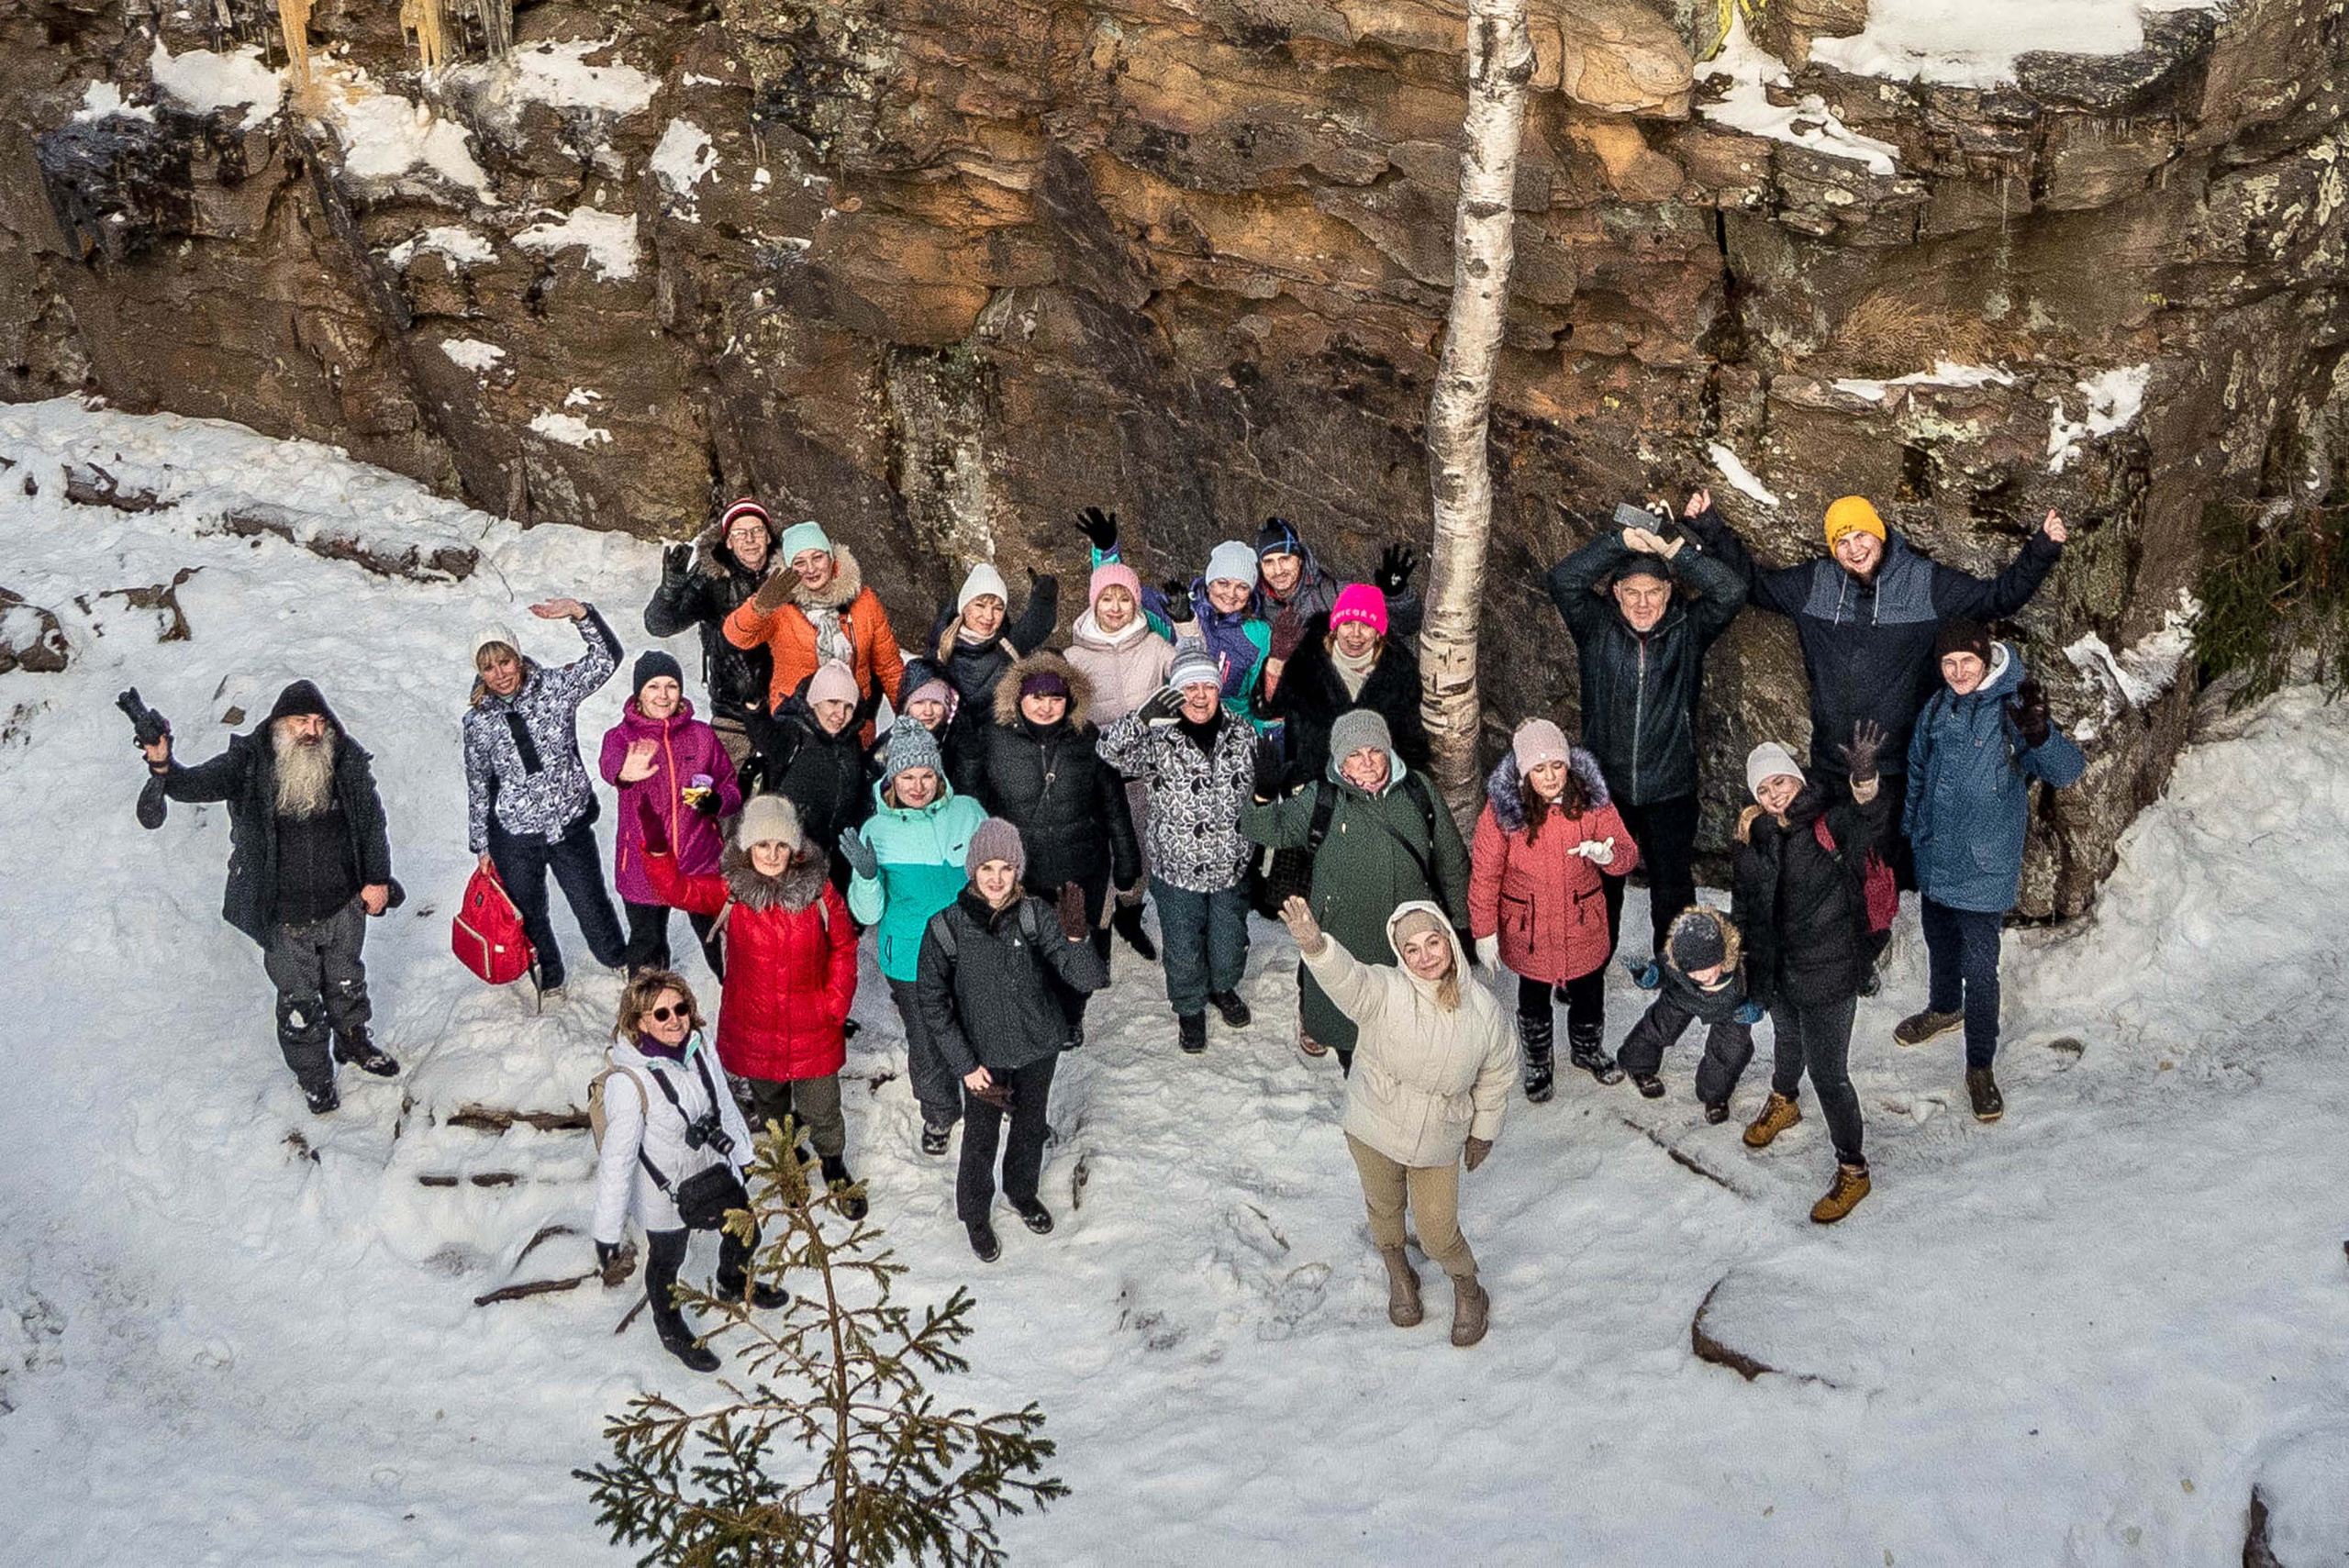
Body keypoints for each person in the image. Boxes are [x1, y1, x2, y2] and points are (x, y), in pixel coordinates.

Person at [1682, 495, 2066, 884]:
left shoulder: (1924, 583)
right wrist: (1710, 527)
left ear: (1879, 533)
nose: (1854, 549)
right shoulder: (1815, 584)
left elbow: (1997, 598)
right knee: (1830, 878)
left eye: (1861, 536)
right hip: (1832, 764)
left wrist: (2043, 549)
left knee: (1885, 879)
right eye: (1842, 543)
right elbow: (1755, 584)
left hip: (1896, 767)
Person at [143, 680, 396, 1114]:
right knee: (299, 1001)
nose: (311, 731)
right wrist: (164, 766)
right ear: (280, 723)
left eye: (318, 722)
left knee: (346, 979)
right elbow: (194, 784)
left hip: (343, 903)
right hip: (283, 912)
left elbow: (372, 822)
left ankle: (353, 1041)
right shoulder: (250, 762)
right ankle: (315, 1078)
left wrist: (377, 879)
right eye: (301, 722)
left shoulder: (344, 760)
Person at [1275, 895, 1512, 1347]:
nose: (1426, 957)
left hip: (1438, 1139)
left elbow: (1497, 1074)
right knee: (1384, 1210)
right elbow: (1349, 980)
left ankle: (1468, 1287)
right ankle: (1399, 1273)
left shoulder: (1483, 1011)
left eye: (1433, 942)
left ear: (1449, 941)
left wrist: (1483, 1131)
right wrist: (1316, 947)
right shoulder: (1386, 991)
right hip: (1374, 1127)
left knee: (1439, 1231)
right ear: (1400, 955)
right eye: (1413, 949)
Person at [1546, 495, 1747, 981]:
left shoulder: (1688, 629)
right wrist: (1621, 541)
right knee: (1598, 884)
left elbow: (1731, 590)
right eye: (1631, 591)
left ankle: (1678, 970)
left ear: (1669, 593)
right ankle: (1586, 968)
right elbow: (1563, 580)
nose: (1642, 603)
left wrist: (1674, 550)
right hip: (1605, 787)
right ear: (1615, 594)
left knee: (1672, 887)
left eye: (1653, 592)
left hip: (1670, 786)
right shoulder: (1595, 627)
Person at [638, 795, 866, 1219]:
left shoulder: (819, 891)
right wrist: (655, 846)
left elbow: (843, 945)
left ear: (794, 848)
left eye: (781, 846)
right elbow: (675, 888)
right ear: (747, 848)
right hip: (755, 1024)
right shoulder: (732, 891)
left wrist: (835, 1002)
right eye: (762, 845)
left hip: (812, 1020)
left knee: (822, 1106)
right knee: (772, 1105)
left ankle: (833, 1164)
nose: (772, 855)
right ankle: (789, 1164)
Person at [1894, 621, 2087, 1121]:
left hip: (1983, 864)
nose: (1958, 672)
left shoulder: (2012, 709)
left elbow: (2066, 771)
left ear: (1986, 661)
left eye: (1968, 662)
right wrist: (1913, 832)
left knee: (1980, 972)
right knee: (1938, 939)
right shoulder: (1938, 707)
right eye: (1949, 664)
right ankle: (1943, 1009)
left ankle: (1980, 1066)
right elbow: (1918, 768)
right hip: (1936, 856)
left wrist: (2040, 735)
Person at [914, 820, 1108, 1262]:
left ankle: (1022, 1191)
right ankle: (975, 1214)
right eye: (987, 868)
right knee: (980, 1138)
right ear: (972, 870)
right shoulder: (946, 927)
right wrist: (965, 1065)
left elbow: (1088, 979)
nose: (996, 878)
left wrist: (1077, 939)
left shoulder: (1036, 914)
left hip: (1037, 1047)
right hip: (983, 1059)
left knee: (1030, 1126)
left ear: (1018, 869)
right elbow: (932, 1001)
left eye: (1005, 867)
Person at [1241, 709, 1472, 1071]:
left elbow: (1451, 857)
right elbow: (1269, 831)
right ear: (1339, 758)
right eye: (1354, 754)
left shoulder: (1417, 790)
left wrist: (1461, 920)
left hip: (1409, 938)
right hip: (1345, 933)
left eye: (1374, 751)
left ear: (1387, 751)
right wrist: (1262, 798)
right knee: (1351, 1028)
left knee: (1411, 1027)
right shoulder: (1323, 797)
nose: (1366, 762)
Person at [1733, 724, 1888, 1225]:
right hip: (1778, 968)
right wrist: (1740, 952)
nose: (1774, 794)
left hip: (1831, 968)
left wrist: (1864, 780)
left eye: (1780, 781)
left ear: (1796, 779)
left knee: (1829, 1074)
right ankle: (1784, 1099)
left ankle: (1853, 1167)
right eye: (1763, 788)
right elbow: (1745, 903)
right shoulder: (1755, 837)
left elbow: (1871, 822)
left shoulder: (1830, 821)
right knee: (1786, 1040)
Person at [588, 971, 782, 1373]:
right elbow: (617, 1159)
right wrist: (607, 1232)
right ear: (639, 1021)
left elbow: (722, 1101)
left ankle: (733, 1280)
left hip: (711, 1166)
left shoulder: (698, 1046)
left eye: (680, 1009)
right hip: (664, 1189)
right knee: (667, 1260)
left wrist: (742, 1153)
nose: (674, 1019)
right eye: (660, 1014)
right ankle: (671, 1328)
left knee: (747, 1230)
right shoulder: (629, 1082)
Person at [953, 651, 1141, 1041]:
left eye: (1055, 698)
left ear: (1069, 700)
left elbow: (1113, 803)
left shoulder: (1087, 738)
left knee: (1078, 944)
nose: (1046, 706)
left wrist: (1126, 860)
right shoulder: (994, 738)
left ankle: (1072, 1016)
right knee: (1027, 952)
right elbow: (975, 802)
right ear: (1019, 697)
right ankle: (1036, 1016)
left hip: (1080, 868)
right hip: (1023, 873)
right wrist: (969, 760)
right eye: (1037, 697)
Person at [1097, 647, 1263, 1054]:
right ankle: (1189, 1007)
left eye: (1208, 686)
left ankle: (1223, 988)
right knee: (1184, 948)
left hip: (1230, 866)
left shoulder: (1242, 732)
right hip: (1176, 869)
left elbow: (1263, 783)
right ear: (1174, 693)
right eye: (1190, 687)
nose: (1200, 696)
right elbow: (1107, 753)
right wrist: (1142, 717)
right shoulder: (1158, 737)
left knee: (1229, 941)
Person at [462, 599, 629, 1003]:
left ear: (517, 658)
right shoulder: (478, 721)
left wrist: (580, 614)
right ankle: (548, 975)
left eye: (505, 662)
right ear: (479, 673)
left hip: (568, 822)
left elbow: (607, 658)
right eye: (488, 667)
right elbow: (478, 783)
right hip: (515, 835)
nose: (499, 674)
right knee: (529, 910)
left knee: (589, 899)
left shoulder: (553, 687)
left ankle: (616, 958)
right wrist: (482, 844)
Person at [1468, 719, 1638, 1100]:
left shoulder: (1592, 800)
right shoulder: (1503, 812)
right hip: (1529, 929)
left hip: (1583, 924)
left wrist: (1608, 855)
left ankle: (1587, 1049)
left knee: (1589, 993)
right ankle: (1539, 1062)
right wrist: (1483, 931)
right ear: (1525, 771)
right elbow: (1485, 874)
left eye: (1557, 766)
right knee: (1533, 998)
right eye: (1539, 769)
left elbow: (1627, 854)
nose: (1550, 777)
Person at [841, 724, 987, 1156]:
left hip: (970, 949)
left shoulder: (968, 812)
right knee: (926, 1042)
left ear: (939, 775)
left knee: (984, 1030)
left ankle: (996, 1101)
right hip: (909, 955)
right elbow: (867, 914)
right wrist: (867, 878)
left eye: (926, 775)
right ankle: (939, 1112)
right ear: (891, 781)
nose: (918, 786)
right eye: (907, 778)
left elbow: (993, 877)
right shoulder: (874, 832)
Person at [1063, 548, 1186, 960]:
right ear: (1094, 601)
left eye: (1125, 598)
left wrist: (1186, 626)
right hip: (1095, 779)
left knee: (1139, 854)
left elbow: (1194, 674)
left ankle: (1130, 917)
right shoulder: (1074, 658)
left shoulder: (1154, 645)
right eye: (1107, 598)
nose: (1115, 607)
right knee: (1099, 857)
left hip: (1144, 777)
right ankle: (1098, 929)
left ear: (1136, 603)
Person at [599, 651, 742, 976]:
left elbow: (731, 787)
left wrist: (717, 802)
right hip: (644, 864)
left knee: (721, 946)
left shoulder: (702, 736)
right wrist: (625, 772)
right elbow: (610, 767)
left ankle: (738, 1003)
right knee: (647, 949)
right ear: (639, 693)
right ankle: (646, 1018)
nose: (663, 695)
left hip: (700, 862)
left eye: (671, 686)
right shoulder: (620, 738)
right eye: (653, 687)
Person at [722, 519, 907, 727]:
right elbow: (736, 636)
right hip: (797, 724)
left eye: (817, 558)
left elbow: (889, 666)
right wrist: (757, 609)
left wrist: (908, 714)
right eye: (799, 563)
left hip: (853, 721)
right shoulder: (780, 606)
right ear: (789, 569)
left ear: (831, 558)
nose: (810, 569)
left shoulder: (864, 601)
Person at [642, 497, 778, 772]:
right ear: (728, 541)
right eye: (740, 533)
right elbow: (659, 625)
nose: (750, 540)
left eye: (757, 531)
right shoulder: (712, 576)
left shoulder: (787, 572)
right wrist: (669, 591)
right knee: (712, 790)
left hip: (783, 705)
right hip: (731, 708)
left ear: (768, 536)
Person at [1257, 584, 1428, 786]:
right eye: (1347, 624)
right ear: (1335, 627)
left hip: (1373, 785)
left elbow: (1411, 741)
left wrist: (1410, 786)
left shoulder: (1399, 670)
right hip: (1312, 782)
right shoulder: (1306, 655)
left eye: (1366, 625)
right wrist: (1276, 661)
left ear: (1378, 632)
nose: (1355, 634)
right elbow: (1268, 709)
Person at [1614, 906, 1765, 1121]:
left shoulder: (1745, 957)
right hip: (1682, 997)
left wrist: (1758, 1005)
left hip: (1732, 1009)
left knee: (1728, 1051)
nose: (1703, 977)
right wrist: (1648, 975)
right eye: (1694, 972)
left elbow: (1764, 983)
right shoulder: (1676, 955)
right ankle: (1638, 1064)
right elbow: (1662, 971)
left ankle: (1714, 1095)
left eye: (1708, 968)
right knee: (1658, 1027)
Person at [1248, 516, 1424, 685]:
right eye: (1269, 562)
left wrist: (1395, 596)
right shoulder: (1258, 607)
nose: (1278, 570)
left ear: (1299, 559)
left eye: (1285, 559)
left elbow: (1405, 628)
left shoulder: (1336, 594)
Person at [744, 660, 872, 892]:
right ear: (814, 701)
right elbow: (766, 736)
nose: (840, 714)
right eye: (832, 702)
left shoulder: (852, 744)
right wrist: (755, 708)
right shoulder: (793, 732)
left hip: (836, 863)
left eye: (848, 706)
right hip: (790, 861)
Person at [924, 562, 1061, 740]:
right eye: (980, 605)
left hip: (1000, 743)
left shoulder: (1008, 643)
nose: (988, 616)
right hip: (953, 746)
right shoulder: (941, 646)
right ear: (964, 607)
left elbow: (1037, 626)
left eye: (998, 608)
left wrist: (1044, 599)